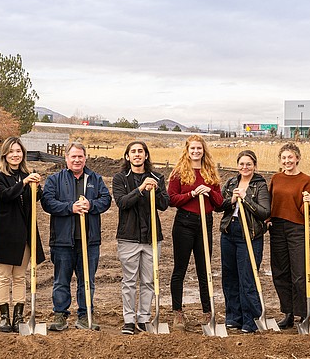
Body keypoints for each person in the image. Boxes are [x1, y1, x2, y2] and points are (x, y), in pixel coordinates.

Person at [41, 142, 111, 331]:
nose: (77, 160)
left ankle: (84, 315)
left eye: (80, 156)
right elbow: (47, 202)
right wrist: (70, 207)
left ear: (85, 158)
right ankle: (60, 315)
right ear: (66, 158)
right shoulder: (55, 180)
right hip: (63, 240)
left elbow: (106, 200)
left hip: (89, 240)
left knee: (87, 280)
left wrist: (91, 206)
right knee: (61, 280)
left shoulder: (95, 179)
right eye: (73, 156)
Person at [0, 137, 45, 333]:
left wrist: (37, 186)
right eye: (11, 151)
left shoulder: (28, 175)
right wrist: (25, 183)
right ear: (5, 154)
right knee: (3, 276)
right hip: (5, 232)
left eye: (18, 151)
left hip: (25, 232)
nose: (15, 155)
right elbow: (5, 196)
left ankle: (19, 315)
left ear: (23, 154)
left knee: (20, 277)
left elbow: (36, 199)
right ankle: (4, 316)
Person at [112, 141, 169, 335]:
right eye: (133, 152)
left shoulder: (157, 177)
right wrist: (141, 189)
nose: (137, 155)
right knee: (129, 280)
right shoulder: (120, 178)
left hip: (152, 238)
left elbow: (163, 205)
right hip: (129, 237)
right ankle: (129, 319)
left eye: (141, 151)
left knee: (148, 281)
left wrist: (157, 190)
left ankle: (144, 318)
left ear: (146, 155)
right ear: (127, 156)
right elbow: (122, 202)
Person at [167, 135, 224, 330]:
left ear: (203, 150)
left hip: (205, 222)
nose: (196, 152)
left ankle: (208, 313)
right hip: (184, 223)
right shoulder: (179, 172)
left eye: (199, 148)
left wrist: (208, 190)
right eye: (192, 148)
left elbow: (219, 204)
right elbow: (172, 199)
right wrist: (191, 194)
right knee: (180, 269)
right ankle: (178, 313)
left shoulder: (210, 173)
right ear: (187, 150)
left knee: (204, 269)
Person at [219, 150, 270, 333]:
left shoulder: (260, 185)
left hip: (250, 234)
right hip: (229, 232)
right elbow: (219, 205)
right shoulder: (231, 182)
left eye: (248, 164)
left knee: (247, 278)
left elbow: (264, 212)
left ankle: (251, 319)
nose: (245, 167)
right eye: (241, 164)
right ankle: (234, 317)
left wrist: (246, 198)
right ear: (237, 165)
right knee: (230, 277)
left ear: (254, 165)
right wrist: (232, 199)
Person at [268, 142, 310, 329]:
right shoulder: (276, 178)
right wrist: (268, 218)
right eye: (284, 158)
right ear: (280, 160)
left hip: (297, 227)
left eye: (290, 157)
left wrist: (309, 202)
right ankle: (288, 313)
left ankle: (304, 314)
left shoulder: (306, 180)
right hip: (277, 227)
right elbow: (270, 201)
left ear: (297, 158)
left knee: (299, 273)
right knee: (280, 272)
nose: (287, 161)